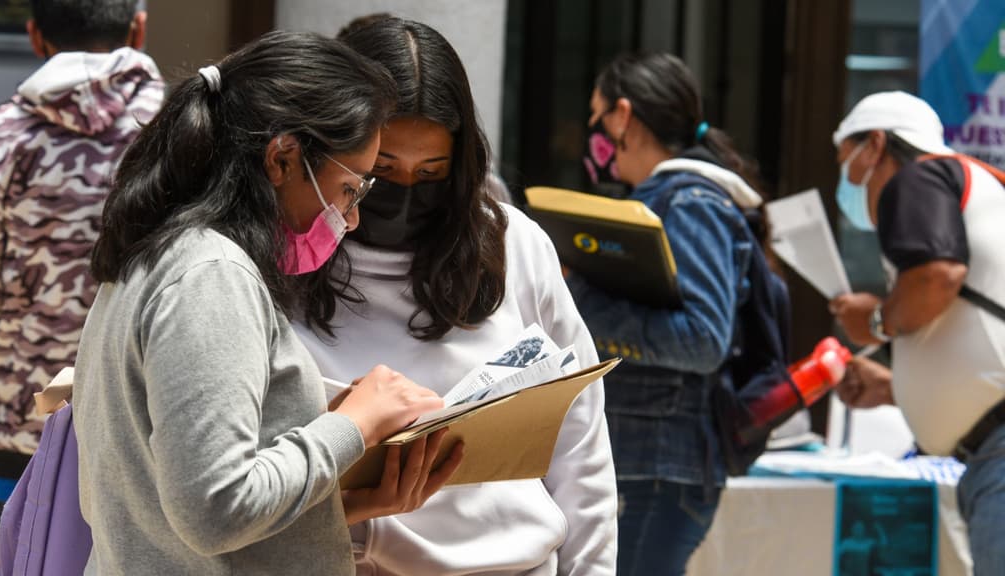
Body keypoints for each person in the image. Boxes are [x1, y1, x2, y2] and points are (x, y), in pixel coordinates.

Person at [71, 31, 461, 575]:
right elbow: (214, 513)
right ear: (282, 158)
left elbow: (175, 506)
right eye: (352, 189)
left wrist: (351, 496)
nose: (351, 219)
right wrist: (354, 424)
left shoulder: (162, 254)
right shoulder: (212, 275)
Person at [294, 17, 618, 574]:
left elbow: (581, 447)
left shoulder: (514, 244)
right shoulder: (284, 260)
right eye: (382, 172)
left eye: (432, 172)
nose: (404, 195)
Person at [564, 52, 773, 575]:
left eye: (598, 116)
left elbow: (703, 341)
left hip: (662, 467)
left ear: (624, 117)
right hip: (650, 463)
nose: (594, 131)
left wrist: (582, 304)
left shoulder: (690, 204)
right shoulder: (669, 199)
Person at [0, 0, 163, 547]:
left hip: (27, 412)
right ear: (138, 27)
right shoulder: (182, 135)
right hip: (146, 410)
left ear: (36, 36)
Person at [829, 91, 1005, 576]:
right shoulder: (978, 189)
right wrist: (895, 390)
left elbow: (936, 277)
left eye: (848, 163)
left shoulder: (918, 175)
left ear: (877, 145)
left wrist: (875, 322)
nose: (848, 182)